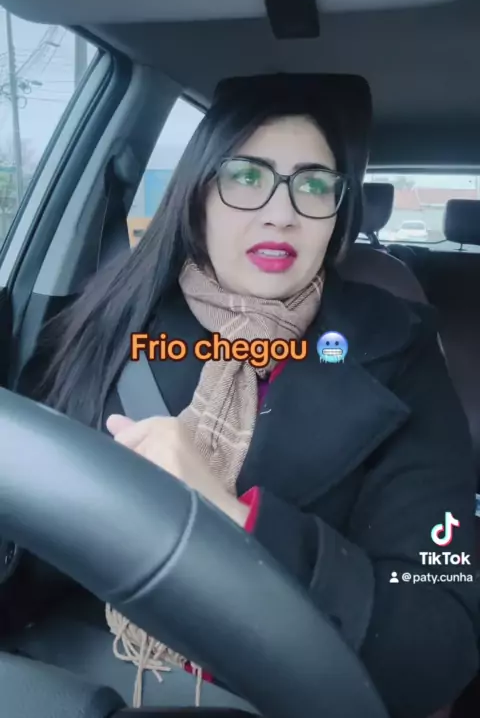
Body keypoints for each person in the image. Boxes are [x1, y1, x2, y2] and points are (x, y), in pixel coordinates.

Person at [17, 81, 478, 718]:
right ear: (198, 195)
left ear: (337, 211)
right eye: (245, 176)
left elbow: (435, 646)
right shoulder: (107, 316)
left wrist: (227, 517)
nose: (281, 213)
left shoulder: (401, 350)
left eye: (313, 185)